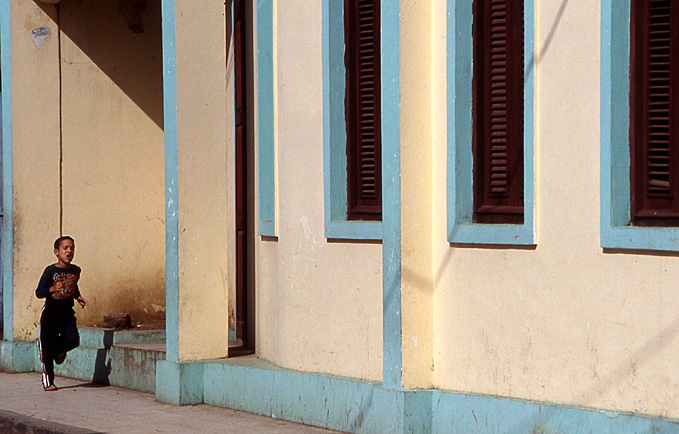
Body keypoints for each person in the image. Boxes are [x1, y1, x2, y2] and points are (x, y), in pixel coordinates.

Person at [35, 236, 88, 391]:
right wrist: (52, 289)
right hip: (51, 313)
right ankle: (48, 382)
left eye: (72, 248)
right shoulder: (50, 271)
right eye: (65, 248)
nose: (69, 251)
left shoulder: (76, 270)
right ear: (56, 252)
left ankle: (58, 350)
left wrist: (78, 297)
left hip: (67, 313)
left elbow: (73, 285)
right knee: (46, 350)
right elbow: (39, 292)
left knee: (73, 340)